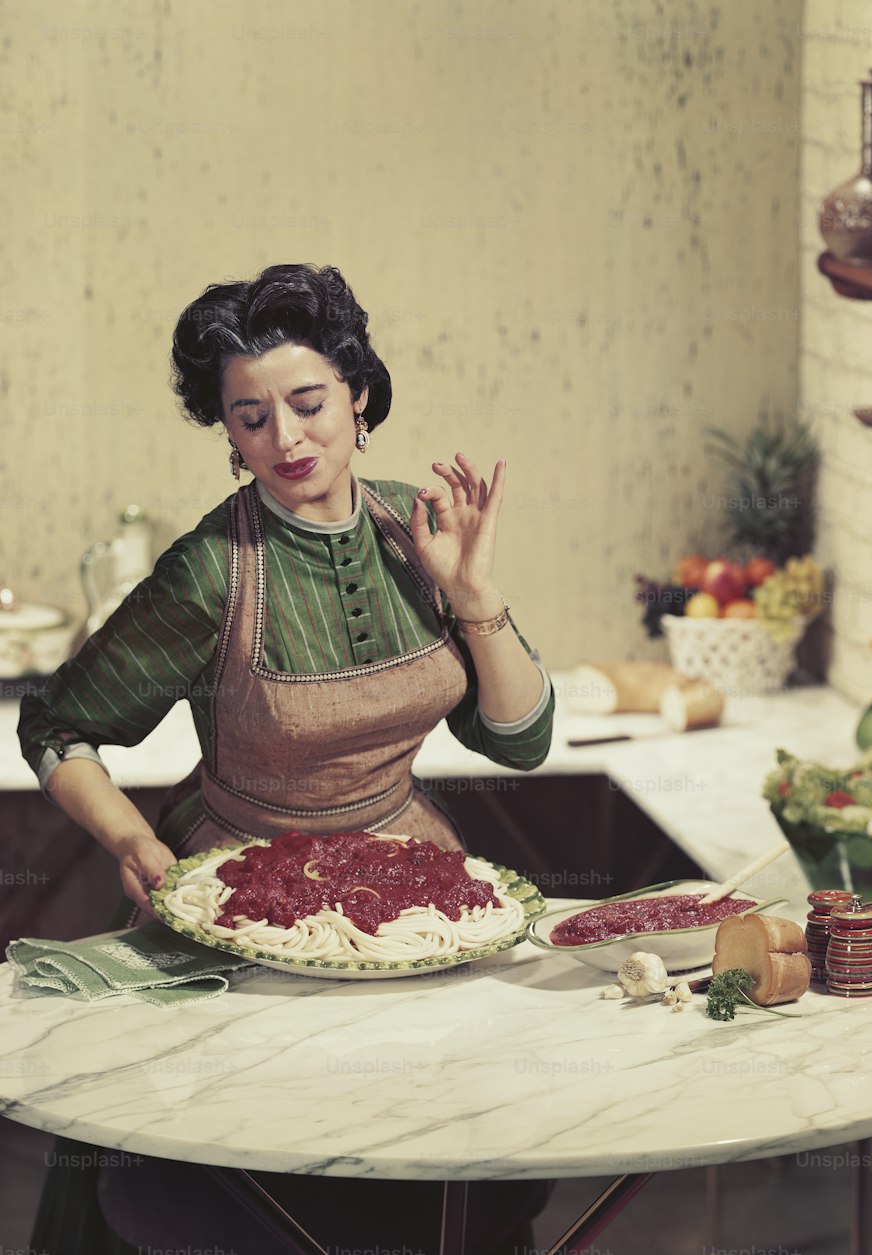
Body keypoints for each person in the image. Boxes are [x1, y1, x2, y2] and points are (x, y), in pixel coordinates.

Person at [18, 262, 555, 1255]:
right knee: (248, 1197)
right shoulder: (209, 569)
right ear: (225, 431)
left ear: (357, 393)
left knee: (437, 1181)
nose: (285, 438)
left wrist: (473, 593)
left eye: (307, 404)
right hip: (237, 902)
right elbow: (52, 723)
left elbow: (519, 739)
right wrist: (132, 839)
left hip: (411, 901)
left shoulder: (420, 528)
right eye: (250, 417)